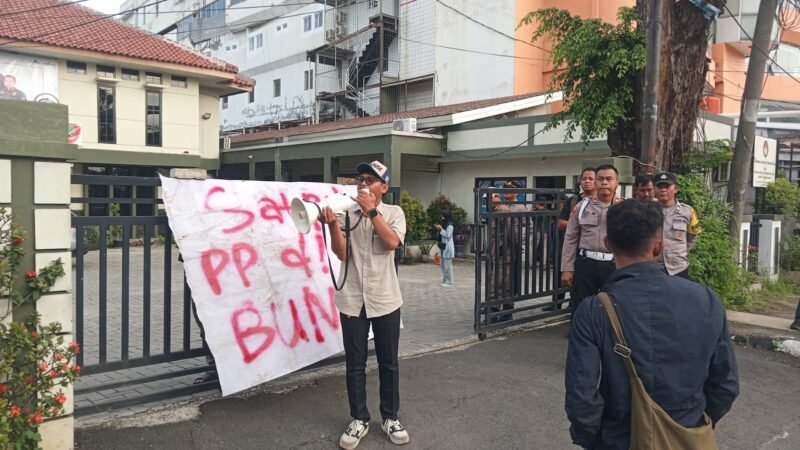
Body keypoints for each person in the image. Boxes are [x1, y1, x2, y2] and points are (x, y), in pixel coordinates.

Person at [565, 200, 739, 450]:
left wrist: (593, 439)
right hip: (688, 433)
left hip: (618, 437)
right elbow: (726, 384)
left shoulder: (595, 309)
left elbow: (581, 395)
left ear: (608, 244)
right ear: (659, 245)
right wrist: (693, 423)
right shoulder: (706, 299)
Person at [320, 160, 410, 449]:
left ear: (383, 187)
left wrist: (371, 211)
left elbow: (392, 243)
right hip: (352, 299)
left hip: (385, 299)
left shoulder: (394, 212)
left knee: (388, 362)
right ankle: (359, 418)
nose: (362, 183)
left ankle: (390, 417)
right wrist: (334, 224)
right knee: (355, 364)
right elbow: (341, 253)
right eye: (360, 178)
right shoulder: (347, 212)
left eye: (370, 179)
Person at [561, 165, 621, 314]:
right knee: (581, 306)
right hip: (585, 264)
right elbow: (570, 238)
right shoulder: (581, 207)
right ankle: (581, 336)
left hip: (614, 265)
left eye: (609, 179)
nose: (604, 183)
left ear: (617, 183)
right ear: (596, 183)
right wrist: (567, 268)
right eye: (600, 179)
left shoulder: (625, 208)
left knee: (613, 307)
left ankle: (608, 337)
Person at [548, 168, 596, 311]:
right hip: (571, 246)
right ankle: (557, 303)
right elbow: (560, 222)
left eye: (591, 178)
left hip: (589, 251)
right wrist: (578, 224)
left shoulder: (602, 201)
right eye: (584, 178)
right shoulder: (573, 200)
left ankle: (574, 305)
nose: (587, 181)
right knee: (563, 275)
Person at [489, 180, 526, 322]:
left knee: (504, 278)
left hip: (509, 248)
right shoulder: (501, 206)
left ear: (517, 192)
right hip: (497, 246)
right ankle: (500, 307)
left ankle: (501, 308)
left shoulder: (520, 208)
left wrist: (520, 245)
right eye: (505, 189)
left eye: (511, 189)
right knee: (499, 277)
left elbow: (526, 229)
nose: (507, 191)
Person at [654, 172, 701, 278]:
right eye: (659, 186)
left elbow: (693, 236)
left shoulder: (688, 211)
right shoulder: (647, 210)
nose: (663, 190)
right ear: (655, 189)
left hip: (678, 268)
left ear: (675, 189)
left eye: (667, 186)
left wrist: (680, 253)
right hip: (654, 267)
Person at [435, 209, 455, 287]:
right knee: (442, 264)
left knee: (448, 265)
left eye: (442, 215)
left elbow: (448, 235)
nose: (441, 217)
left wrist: (441, 229)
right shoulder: (445, 224)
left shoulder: (450, 225)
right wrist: (439, 229)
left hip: (448, 247)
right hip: (443, 247)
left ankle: (449, 282)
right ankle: (445, 279)